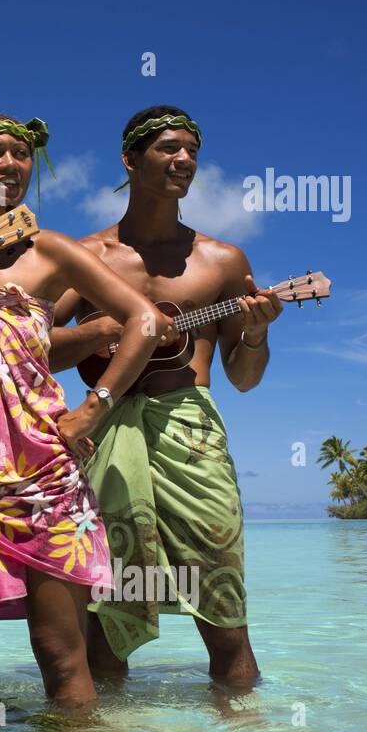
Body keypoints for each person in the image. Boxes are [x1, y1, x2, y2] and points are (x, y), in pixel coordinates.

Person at [0, 114, 170, 706]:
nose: (9, 163)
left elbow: (145, 320)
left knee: (61, 655)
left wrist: (95, 408)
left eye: (19, 153)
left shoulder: (52, 250)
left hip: (47, 473)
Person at [49, 105, 281, 689]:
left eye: (191, 151)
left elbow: (245, 378)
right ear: (129, 159)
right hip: (103, 427)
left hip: (190, 430)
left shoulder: (222, 261)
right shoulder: (87, 257)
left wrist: (255, 329)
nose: (183, 160)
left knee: (224, 604)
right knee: (106, 608)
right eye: (167, 149)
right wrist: (102, 331)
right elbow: (36, 349)